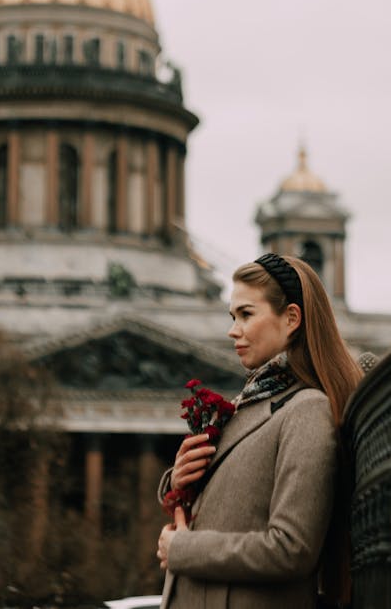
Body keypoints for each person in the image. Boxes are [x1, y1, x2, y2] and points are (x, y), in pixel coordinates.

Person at [156, 253, 363, 609]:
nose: (232, 330)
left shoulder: (306, 410)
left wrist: (183, 549)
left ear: (292, 318)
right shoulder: (252, 403)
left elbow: (291, 549)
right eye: (233, 316)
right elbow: (232, 507)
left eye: (246, 315)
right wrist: (178, 481)